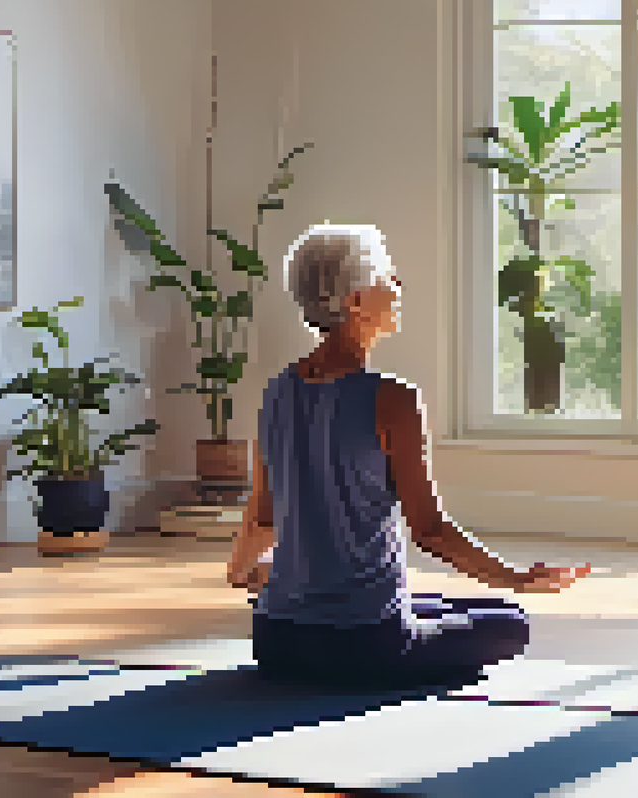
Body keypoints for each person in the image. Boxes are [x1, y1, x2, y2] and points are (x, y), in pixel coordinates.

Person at [226, 222, 590, 690]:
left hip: (275, 640)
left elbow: (262, 516)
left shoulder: (277, 391)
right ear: (356, 301)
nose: (397, 285)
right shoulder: (394, 399)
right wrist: (518, 578)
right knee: (509, 622)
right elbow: (430, 531)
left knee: (442, 605)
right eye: (387, 277)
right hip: (364, 647)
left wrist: (240, 571)